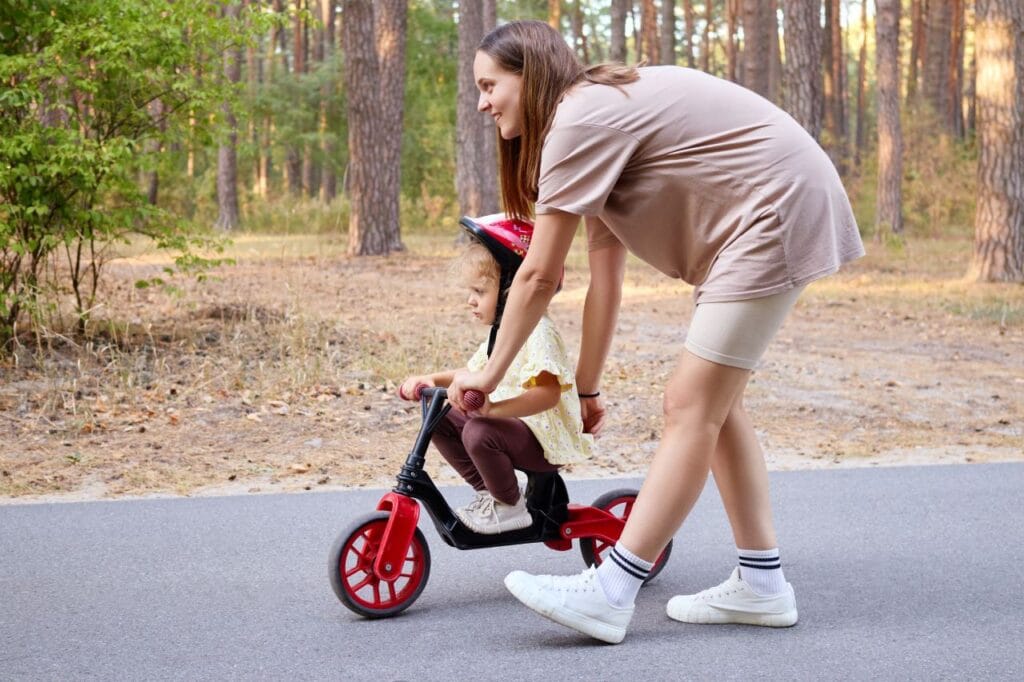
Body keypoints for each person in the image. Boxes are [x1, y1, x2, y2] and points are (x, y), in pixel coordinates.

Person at [446, 20, 865, 644]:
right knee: (717, 408)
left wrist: (487, 372)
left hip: (774, 210)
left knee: (690, 405)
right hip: (762, 217)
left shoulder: (578, 120)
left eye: (489, 84)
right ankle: (762, 584)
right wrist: (585, 389)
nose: (481, 102)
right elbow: (603, 280)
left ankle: (612, 590)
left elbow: (539, 277)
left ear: (529, 76)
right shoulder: (591, 126)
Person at [398, 214, 593, 534]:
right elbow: (473, 372)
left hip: (544, 439)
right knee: (440, 416)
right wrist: (432, 379)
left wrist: (495, 410)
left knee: (479, 432)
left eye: (479, 290)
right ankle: (492, 493)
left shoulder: (539, 331)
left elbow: (548, 393)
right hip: (515, 431)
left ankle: (509, 506)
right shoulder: (502, 333)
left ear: (510, 289)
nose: (470, 301)